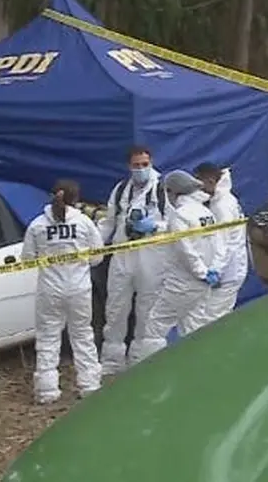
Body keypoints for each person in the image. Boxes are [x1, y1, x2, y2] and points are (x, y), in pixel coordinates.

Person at [21, 180, 104, 404]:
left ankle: (47, 390)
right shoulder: (85, 223)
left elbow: (27, 259)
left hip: (50, 289)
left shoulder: (37, 225)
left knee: (47, 338)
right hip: (80, 289)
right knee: (83, 335)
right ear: (76, 199)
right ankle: (90, 385)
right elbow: (97, 258)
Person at [137, 170, 226, 362]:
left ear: (173, 192)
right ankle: (196, 369)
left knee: (156, 326)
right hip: (205, 283)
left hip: (184, 282)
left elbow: (185, 250)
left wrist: (201, 272)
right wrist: (214, 270)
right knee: (193, 328)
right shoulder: (206, 212)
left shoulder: (180, 214)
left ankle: (152, 374)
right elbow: (219, 244)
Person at [95, 145, 168, 375]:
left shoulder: (163, 189)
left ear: (152, 162)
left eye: (145, 164)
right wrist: (93, 247)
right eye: (136, 165)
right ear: (129, 166)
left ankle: (142, 360)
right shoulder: (120, 190)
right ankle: (112, 361)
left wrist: (155, 226)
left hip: (151, 254)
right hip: (123, 253)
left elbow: (177, 223)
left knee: (148, 307)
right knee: (116, 306)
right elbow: (109, 222)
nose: (141, 169)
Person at [195, 162, 249, 323]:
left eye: (199, 182)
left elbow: (224, 243)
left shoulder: (222, 206)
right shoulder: (224, 199)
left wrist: (216, 271)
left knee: (212, 320)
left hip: (227, 273)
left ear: (210, 181)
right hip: (230, 269)